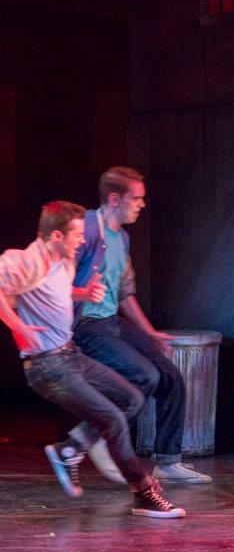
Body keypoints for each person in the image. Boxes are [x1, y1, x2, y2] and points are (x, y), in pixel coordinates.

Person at [0, 200, 185, 518]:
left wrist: (83, 294)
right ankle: (143, 492)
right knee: (112, 419)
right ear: (56, 236)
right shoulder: (26, 260)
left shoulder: (63, 261)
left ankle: (70, 449)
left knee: (131, 397)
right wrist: (19, 326)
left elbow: (53, 291)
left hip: (69, 355)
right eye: (76, 234)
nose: (82, 240)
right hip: (46, 366)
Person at [70, 166, 211, 484]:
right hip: (86, 325)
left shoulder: (122, 238)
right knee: (144, 376)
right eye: (136, 198)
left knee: (170, 377)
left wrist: (148, 332)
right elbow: (57, 275)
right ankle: (93, 434)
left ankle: (168, 462)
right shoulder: (85, 229)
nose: (142, 204)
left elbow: (124, 293)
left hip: (111, 321)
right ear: (114, 199)